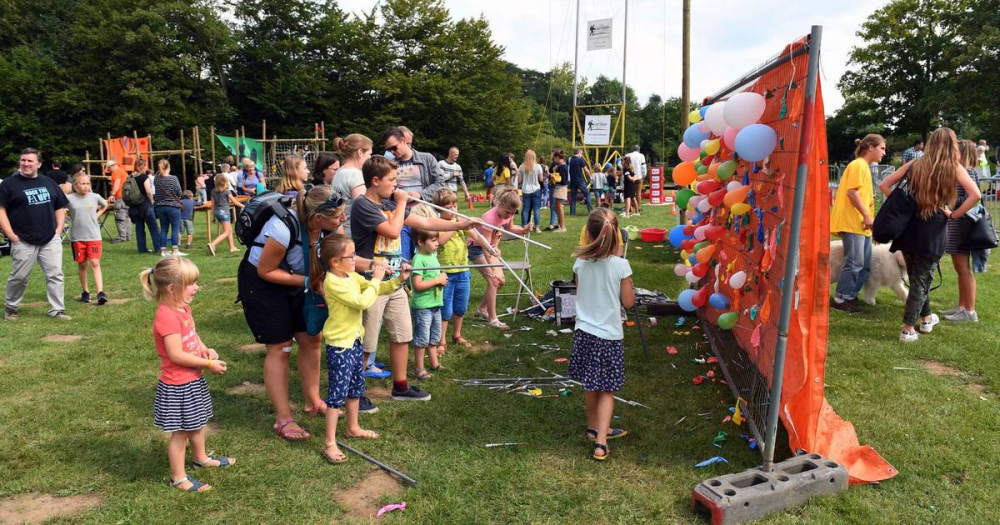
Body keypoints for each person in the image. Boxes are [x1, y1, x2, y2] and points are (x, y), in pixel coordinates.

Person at [350, 155, 474, 402]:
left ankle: (400, 386)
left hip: (395, 282)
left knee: (403, 335)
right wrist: (401, 203)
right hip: (371, 284)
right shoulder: (364, 205)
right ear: (375, 181)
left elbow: (426, 221)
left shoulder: (388, 205)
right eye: (392, 180)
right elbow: (393, 230)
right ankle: (355, 392)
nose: (397, 186)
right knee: (367, 344)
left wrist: (459, 225)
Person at [238, 185, 349, 439]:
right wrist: (308, 281)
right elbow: (265, 271)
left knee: (311, 338)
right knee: (280, 346)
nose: (342, 219)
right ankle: (284, 419)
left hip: (299, 278)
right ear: (318, 218)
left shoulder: (326, 227)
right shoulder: (282, 228)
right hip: (263, 283)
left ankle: (313, 402)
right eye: (338, 215)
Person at [140, 257, 234, 493]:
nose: (196, 288)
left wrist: (204, 348)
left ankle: (200, 457)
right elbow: (176, 355)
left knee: (198, 421)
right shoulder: (167, 317)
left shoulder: (182, 308)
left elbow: (192, 334)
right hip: (178, 385)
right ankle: (179, 478)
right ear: (172, 288)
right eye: (191, 284)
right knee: (180, 432)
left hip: (192, 379)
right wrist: (208, 363)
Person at [878, 128, 980, 343]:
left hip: (909, 227)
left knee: (918, 277)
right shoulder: (953, 167)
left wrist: (904, 205)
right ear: (952, 145)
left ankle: (925, 319)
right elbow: (976, 195)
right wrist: (953, 215)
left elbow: (885, 184)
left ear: (931, 143)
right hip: (933, 228)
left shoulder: (915, 164)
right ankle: (908, 329)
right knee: (920, 280)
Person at [314, 233, 403, 463]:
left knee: (355, 388)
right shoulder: (333, 282)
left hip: (354, 341)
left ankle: (353, 427)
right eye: (351, 256)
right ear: (335, 261)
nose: (355, 259)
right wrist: (375, 278)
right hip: (340, 346)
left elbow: (378, 289)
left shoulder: (351, 276)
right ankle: (330, 443)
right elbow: (362, 301)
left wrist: (399, 280)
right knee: (337, 395)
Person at [569, 207, 633, 461]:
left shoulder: (580, 262)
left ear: (589, 234)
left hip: (584, 333)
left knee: (590, 384)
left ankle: (594, 428)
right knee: (607, 389)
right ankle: (601, 443)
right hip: (608, 336)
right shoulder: (621, 265)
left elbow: (580, 288)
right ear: (616, 235)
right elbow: (628, 302)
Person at [1, 148, 71, 321]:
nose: (25, 164)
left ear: (38, 164)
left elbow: (59, 207)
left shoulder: (48, 182)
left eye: (30, 161)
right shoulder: (8, 184)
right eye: (23, 160)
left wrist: (58, 229)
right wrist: (12, 236)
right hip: (23, 239)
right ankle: (11, 307)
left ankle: (57, 309)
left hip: (49, 238)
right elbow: (1, 211)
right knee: (20, 276)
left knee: (55, 274)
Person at [830, 134, 884, 312]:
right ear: (870, 147)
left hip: (861, 224)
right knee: (854, 263)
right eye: (881, 148)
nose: (883, 153)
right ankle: (841, 298)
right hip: (853, 222)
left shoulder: (864, 167)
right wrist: (866, 216)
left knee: (864, 265)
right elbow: (852, 193)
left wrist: (870, 221)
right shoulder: (858, 165)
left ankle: (850, 296)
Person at [469, 187, 532, 330]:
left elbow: (509, 228)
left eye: (512, 213)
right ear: (500, 204)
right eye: (507, 212)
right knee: (494, 280)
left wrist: (523, 230)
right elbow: (485, 244)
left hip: (492, 249)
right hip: (478, 248)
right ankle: (493, 319)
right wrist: (492, 266)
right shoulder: (489, 218)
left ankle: (481, 309)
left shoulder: (508, 213)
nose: (509, 215)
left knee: (500, 281)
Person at [941, 140, 984, 322]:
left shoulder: (966, 172)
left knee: (964, 268)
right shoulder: (967, 171)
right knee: (961, 268)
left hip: (961, 225)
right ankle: (962, 306)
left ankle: (970, 311)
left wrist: (952, 212)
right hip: (958, 224)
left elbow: (970, 198)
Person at [433, 188, 476, 352]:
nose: (452, 210)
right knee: (445, 309)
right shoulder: (440, 224)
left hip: (463, 272)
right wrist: (456, 225)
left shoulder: (460, 222)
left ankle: (456, 335)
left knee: (461, 307)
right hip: (446, 274)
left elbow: (476, 236)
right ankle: (441, 340)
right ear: (439, 209)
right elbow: (441, 241)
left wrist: (488, 246)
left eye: (454, 207)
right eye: (447, 208)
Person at [409, 228, 446, 380]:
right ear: (420, 242)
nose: (437, 243)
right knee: (422, 339)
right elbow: (417, 285)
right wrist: (437, 280)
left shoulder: (432, 256)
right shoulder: (419, 259)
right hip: (423, 306)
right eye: (433, 240)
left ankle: (434, 364)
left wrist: (442, 279)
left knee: (434, 338)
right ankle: (419, 369)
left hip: (435, 304)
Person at [66, 173, 109, 305]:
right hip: (78, 238)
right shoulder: (69, 198)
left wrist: (96, 215)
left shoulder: (95, 197)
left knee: (95, 263)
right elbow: (61, 210)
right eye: (82, 184)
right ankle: (85, 292)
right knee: (82, 264)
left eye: (87, 184)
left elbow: (105, 205)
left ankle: (100, 292)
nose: (85, 186)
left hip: (94, 236)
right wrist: (69, 216)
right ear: (75, 185)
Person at [380, 127, 448, 207]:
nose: (392, 152)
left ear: (403, 141)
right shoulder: (389, 165)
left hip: (426, 212)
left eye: (394, 148)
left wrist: (420, 194)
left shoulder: (427, 158)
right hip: (401, 214)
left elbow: (440, 184)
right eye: (388, 150)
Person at [332, 134, 373, 237]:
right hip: (352, 235)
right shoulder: (355, 175)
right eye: (369, 154)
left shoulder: (339, 172)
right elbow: (364, 210)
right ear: (360, 152)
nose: (370, 158)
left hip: (339, 231)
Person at [127, 158, 161, 254]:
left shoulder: (129, 177)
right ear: (141, 166)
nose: (146, 167)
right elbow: (148, 191)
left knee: (139, 228)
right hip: (145, 205)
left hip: (133, 206)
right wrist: (151, 201)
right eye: (145, 165)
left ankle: (142, 249)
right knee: (153, 227)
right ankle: (158, 249)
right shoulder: (144, 177)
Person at [153, 159, 186, 257]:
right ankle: (175, 250)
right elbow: (179, 192)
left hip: (160, 206)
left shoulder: (156, 179)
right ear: (168, 167)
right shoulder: (173, 178)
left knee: (164, 228)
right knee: (175, 228)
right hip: (172, 206)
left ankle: (163, 250)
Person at [207, 174, 244, 255]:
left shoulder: (213, 191)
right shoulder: (227, 191)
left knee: (229, 230)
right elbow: (234, 202)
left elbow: (212, 205)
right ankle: (212, 244)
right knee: (227, 231)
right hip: (224, 213)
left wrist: (213, 216)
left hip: (217, 212)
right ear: (225, 181)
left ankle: (232, 247)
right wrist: (244, 206)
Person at [516, 149, 543, 232]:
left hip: (525, 190)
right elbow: (541, 179)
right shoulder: (538, 166)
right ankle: (537, 227)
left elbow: (519, 181)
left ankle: (524, 226)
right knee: (536, 209)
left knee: (525, 209)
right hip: (536, 189)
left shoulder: (521, 166)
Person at [107, 159, 132, 243]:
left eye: (109, 169)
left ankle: (122, 237)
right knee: (126, 217)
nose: (109, 171)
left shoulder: (116, 172)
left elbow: (117, 184)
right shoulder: (123, 172)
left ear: (111, 166)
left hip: (120, 197)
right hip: (126, 197)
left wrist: (112, 194)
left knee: (120, 217)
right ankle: (128, 236)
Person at [545, 150, 568, 231]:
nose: (553, 160)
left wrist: (553, 173)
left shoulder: (562, 166)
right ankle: (561, 224)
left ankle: (562, 227)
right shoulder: (562, 166)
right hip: (560, 188)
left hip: (560, 188)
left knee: (559, 207)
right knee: (555, 207)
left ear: (557, 157)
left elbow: (561, 180)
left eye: (554, 158)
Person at [568, 149, 592, 216]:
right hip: (579, 180)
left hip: (572, 181)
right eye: (582, 154)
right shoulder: (580, 160)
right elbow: (586, 170)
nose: (582, 155)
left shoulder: (569, 159)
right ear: (579, 153)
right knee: (587, 194)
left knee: (573, 197)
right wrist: (590, 176)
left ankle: (572, 214)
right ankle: (591, 211)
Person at [626, 146, 647, 214]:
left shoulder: (628, 155)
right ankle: (638, 208)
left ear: (633, 149)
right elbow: (643, 167)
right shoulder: (641, 156)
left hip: (629, 177)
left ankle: (629, 208)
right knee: (638, 193)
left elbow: (621, 165)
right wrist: (643, 175)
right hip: (638, 177)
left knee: (629, 194)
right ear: (639, 150)